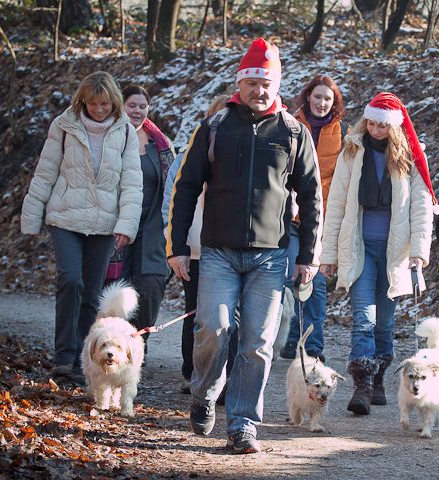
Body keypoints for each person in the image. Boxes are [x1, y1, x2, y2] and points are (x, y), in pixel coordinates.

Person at [166, 38, 322, 454]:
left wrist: (308, 256)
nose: (260, 90)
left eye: (267, 82)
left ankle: (242, 424)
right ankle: (203, 395)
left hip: (271, 256)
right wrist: (178, 246)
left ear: (277, 86)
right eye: (253, 82)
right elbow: (185, 188)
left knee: (256, 343)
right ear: (241, 83)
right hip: (217, 252)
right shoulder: (216, 126)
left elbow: (311, 198)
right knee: (213, 330)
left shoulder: (293, 132)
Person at [21, 71, 142, 385]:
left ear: (113, 103)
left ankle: (81, 358)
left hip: (103, 223)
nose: (99, 110)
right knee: (70, 281)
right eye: (92, 104)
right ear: (82, 101)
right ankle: (64, 355)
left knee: (91, 293)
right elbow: (45, 172)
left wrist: (126, 224)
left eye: (104, 104)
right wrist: (32, 217)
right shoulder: (64, 127)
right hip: (65, 218)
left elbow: (132, 183)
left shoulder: (125, 131)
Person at [320, 92, 438, 415]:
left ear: (394, 127)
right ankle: (361, 383)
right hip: (358, 247)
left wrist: (418, 253)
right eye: (370, 122)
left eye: (382, 125)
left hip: (395, 252)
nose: (374, 129)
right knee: (363, 318)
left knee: (384, 323)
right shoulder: (351, 151)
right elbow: (338, 206)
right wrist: (328, 255)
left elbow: (421, 207)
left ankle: (380, 377)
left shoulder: (411, 157)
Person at [162, 94, 233, 395]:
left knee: (226, 318)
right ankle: (191, 371)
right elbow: (172, 204)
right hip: (195, 249)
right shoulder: (186, 156)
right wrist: (176, 246)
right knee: (195, 313)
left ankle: (223, 376)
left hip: (229, 250)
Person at [279, 74, 347, 362]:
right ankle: (289, 337)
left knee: (314, 283)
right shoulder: (289, 126)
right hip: (289, 216)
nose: (321, 103)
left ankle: (312, 347)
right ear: (308, 97)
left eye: (327, 99)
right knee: (288, 278)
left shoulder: (343, 133)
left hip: (323, 219)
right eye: (317, 97)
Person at [117, 85, 174, 349]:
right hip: (114, 226)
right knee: (117, 291)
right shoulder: (109, 139)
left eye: (142, 106)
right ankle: (114, 348)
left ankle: (138, 347)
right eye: (132, 105)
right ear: (121, 106)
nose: (137, 111)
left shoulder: (159, 144)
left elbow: (173, 185)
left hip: (151, 227)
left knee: (150, 287)